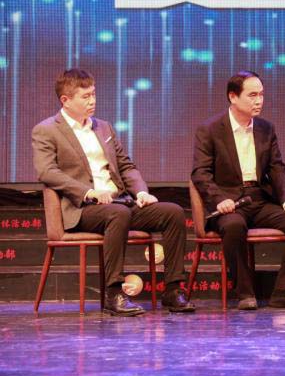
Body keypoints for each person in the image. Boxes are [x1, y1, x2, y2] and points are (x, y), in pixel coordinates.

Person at [32, 69, 194, 316]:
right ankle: (114, 292)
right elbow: (47, 171)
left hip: (120, 203)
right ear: (65, 100)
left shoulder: (104, 128)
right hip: (83, 209)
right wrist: (89, 192)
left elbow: (126, 166)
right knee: (118, 214)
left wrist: (141, 192)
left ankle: (172, 290)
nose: (92, 101)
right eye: (85, 96)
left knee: (172, 213)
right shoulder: (46, 130)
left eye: (93, 94)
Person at [191, 71, 285, 310]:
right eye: (252, 95)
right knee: (233, 226)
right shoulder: (210, 129)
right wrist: (218, 199)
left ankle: (284, 291)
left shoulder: (266, 128)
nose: (259, 101)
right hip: (229, 203)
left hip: (258, 199)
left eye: (261, 95)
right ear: (233, 97)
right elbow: (200, 173)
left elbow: (277, 168)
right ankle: (245, 293)